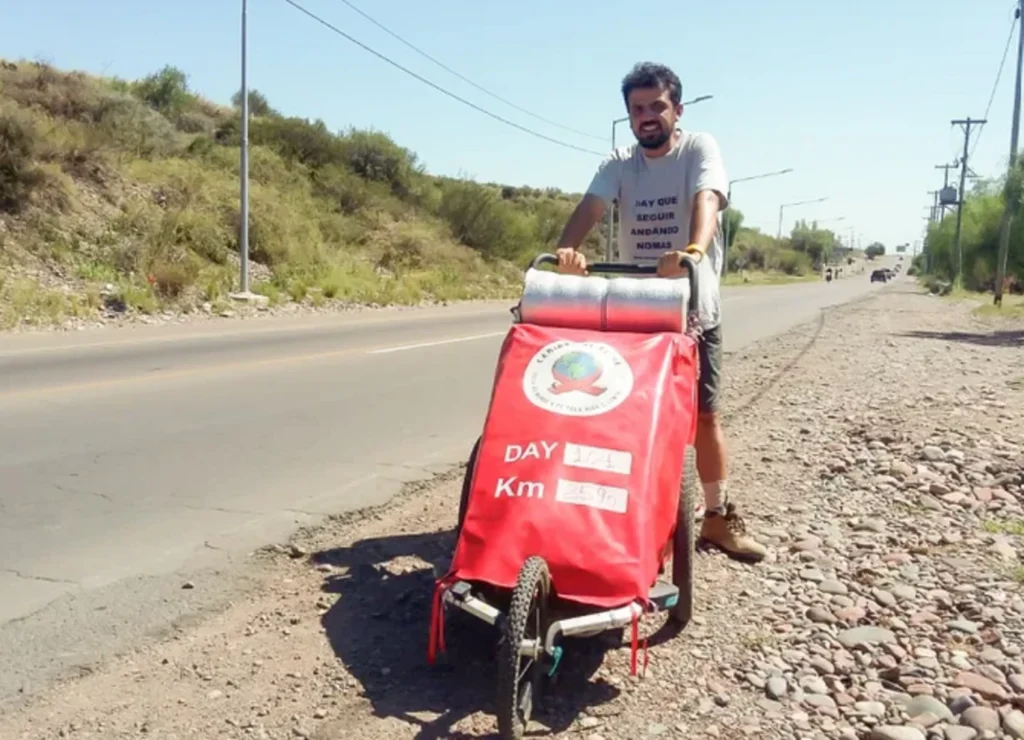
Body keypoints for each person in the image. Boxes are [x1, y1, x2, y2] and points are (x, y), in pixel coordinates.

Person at [553, 62, 767, 563]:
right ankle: (613, 513)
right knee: (616, 413)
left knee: (703, 417)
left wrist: (692, 249)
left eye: (656, 107)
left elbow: (707, 197)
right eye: (637, 109)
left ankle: (716, 518)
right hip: (636, 310)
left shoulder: (698, 148)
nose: (647, 117)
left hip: (691, 309)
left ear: (677, 109)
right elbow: (591, 205)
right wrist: (566, 251)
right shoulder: (621, 161)